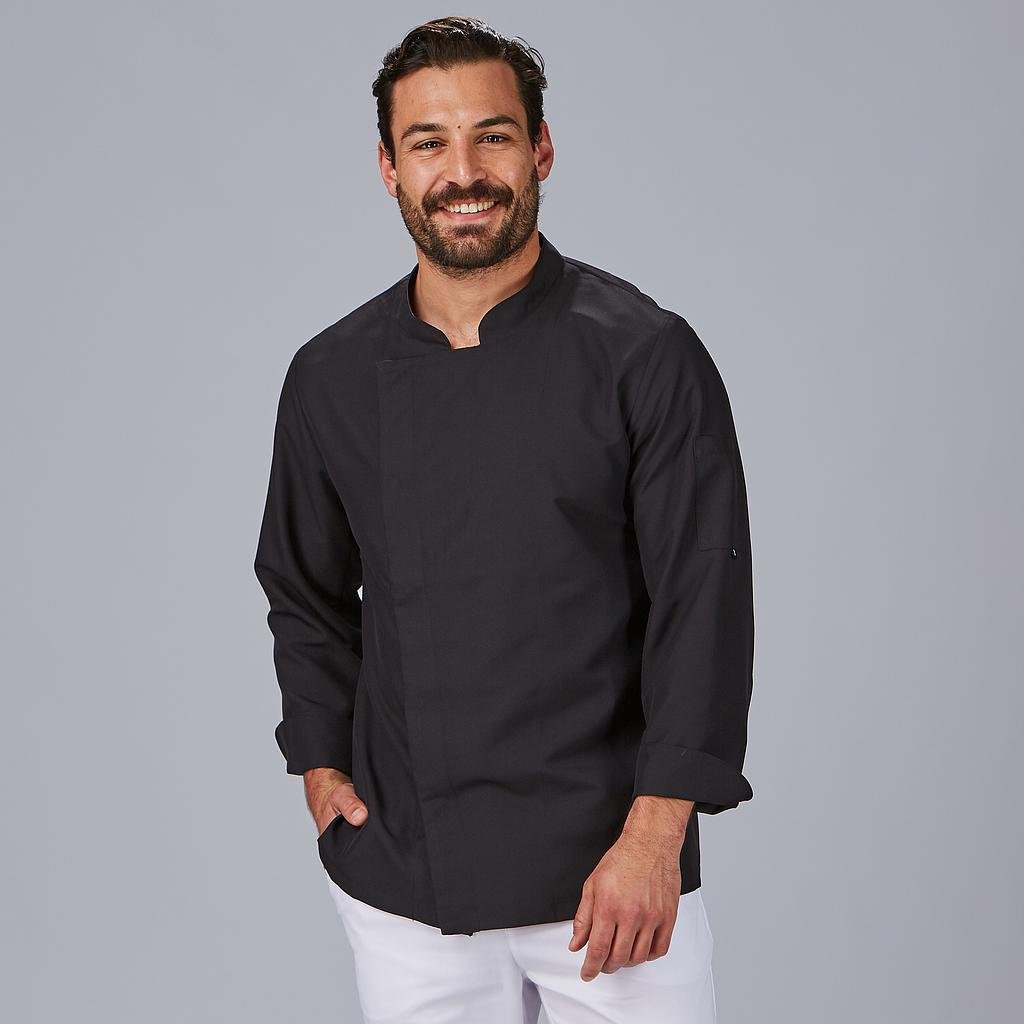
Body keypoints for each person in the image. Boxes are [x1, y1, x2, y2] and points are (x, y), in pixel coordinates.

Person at [253, 15, 755, 1023]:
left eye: (493, 136)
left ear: (541, 150)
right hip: (405, 874)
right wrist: (319, 760)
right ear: (389, 169)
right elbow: (304, 591)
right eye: (428, 143)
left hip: (610, 877)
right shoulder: (330, 375)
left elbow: (703, 600)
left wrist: (655, 837)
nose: (463, 173)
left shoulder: (643, 353)